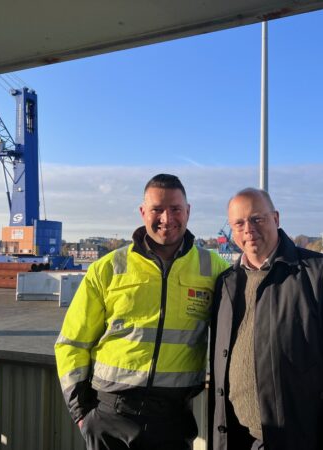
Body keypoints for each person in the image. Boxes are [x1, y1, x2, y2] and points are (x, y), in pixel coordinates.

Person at [55, 174, 230, 450]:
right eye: (157, 209)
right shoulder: (108, 267)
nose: (166, 218)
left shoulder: (214, 268)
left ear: (188, 211)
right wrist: (82, 413)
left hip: (173, 418)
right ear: (142, 212)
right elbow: (71, 344)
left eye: (175, 209)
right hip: (109, 414)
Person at [210, 188, 323, 450]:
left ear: (276, 218)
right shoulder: (226, 284)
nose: (248, 229)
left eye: (257, 218)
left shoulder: (321, 274)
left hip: (297, 440)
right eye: (239, 223)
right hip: (237, 438)